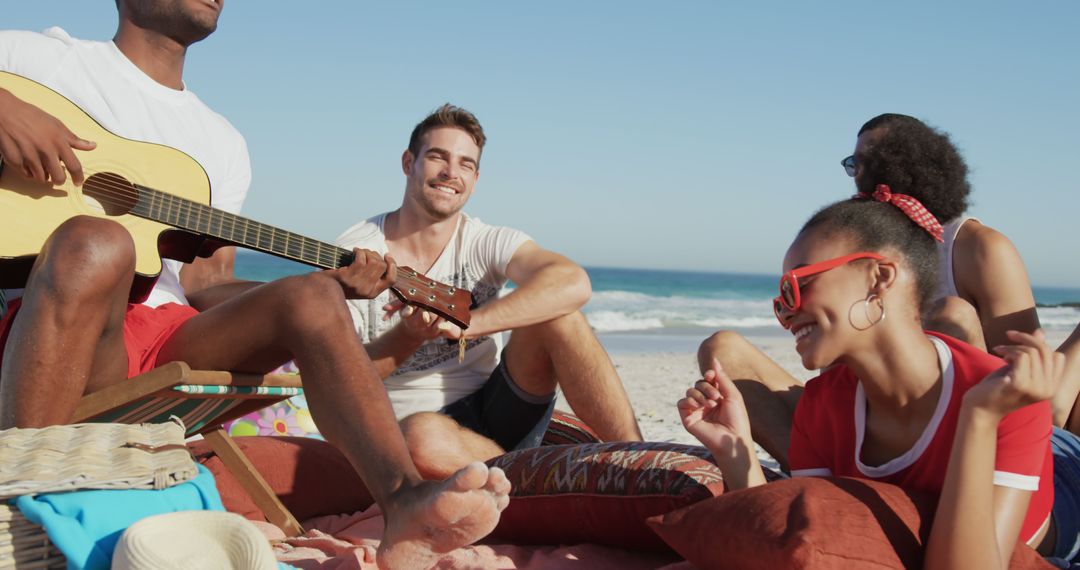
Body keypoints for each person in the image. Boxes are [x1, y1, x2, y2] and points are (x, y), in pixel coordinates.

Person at [0, 4, 509, 568]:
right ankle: (23, 481)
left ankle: (405, 501)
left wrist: (332, 285)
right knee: (99, 241)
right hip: (56, 324)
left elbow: (201, 285)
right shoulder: (36, 59)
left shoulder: (220, 142)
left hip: (169, 333)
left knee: (310, 293)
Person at [679, 190, 1079, 568]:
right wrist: (736, 451)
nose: (785, 314)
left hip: (1063, 482)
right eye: (780, 300)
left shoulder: (998, 398)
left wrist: (979, 417)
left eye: (797, 286)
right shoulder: (821, 406)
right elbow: (795, 537)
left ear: (880, 276)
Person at [696, 113, 1055, 468]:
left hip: (966, 428)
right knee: (722, 350)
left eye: (869, 161)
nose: (861, 174)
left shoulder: (979, 248)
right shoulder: (847, 243)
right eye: (854, 164)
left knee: (951, 314)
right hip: (854, 420)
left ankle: (931, 472)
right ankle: (823, 472)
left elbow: (1031, 371)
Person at [336, 104, 642, 479]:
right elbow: (341, 381)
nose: (451, 173)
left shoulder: (482, 240)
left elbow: (572, 281)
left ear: (475, 179)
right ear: (408, 162)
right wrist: (406, 337)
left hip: (499, 406)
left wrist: (470, 323)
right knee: (423, 437)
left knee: (561, 316)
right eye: (437, 157)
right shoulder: (356, 251)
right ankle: (530, 483)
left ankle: (638, 462)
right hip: (417, 424)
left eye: (465, 164)